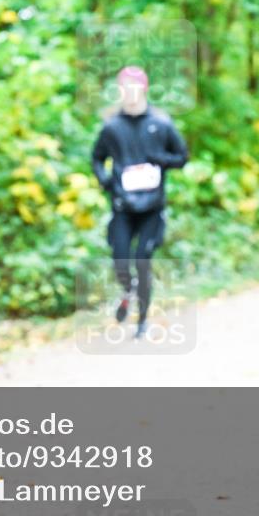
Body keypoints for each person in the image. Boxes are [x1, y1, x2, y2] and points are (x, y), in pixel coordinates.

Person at [91, 66, 188, 339]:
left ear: (143, 89)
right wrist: (106, 180)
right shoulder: (112, 126)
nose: (129, 92)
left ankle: (142, 321)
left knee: (142, 260)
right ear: (120, 90)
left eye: (134, 86)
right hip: (123, 207)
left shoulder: (161, 123)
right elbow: (97, 157)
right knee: (121, 260)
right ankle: (127, 288)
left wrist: (160, 159)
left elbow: (182, 156)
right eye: (124, 87)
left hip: (152, 208)